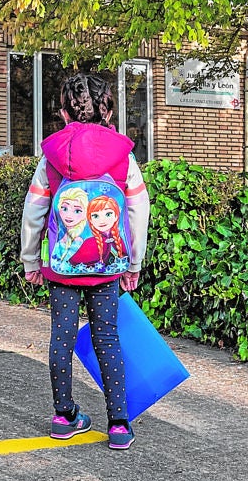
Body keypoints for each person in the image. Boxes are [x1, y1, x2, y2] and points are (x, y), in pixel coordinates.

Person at [20, 72, 151, 450]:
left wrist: (31, 259)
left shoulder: (52, 156)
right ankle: (119, 423)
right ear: (108, 110)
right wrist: (133, 263)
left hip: (63, 266)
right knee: (106, 338)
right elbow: (138, 211)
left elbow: (35, 210)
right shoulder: (122, 155)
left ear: (63, 112)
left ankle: (64, 416)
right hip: (108, 263)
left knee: (61, 336)